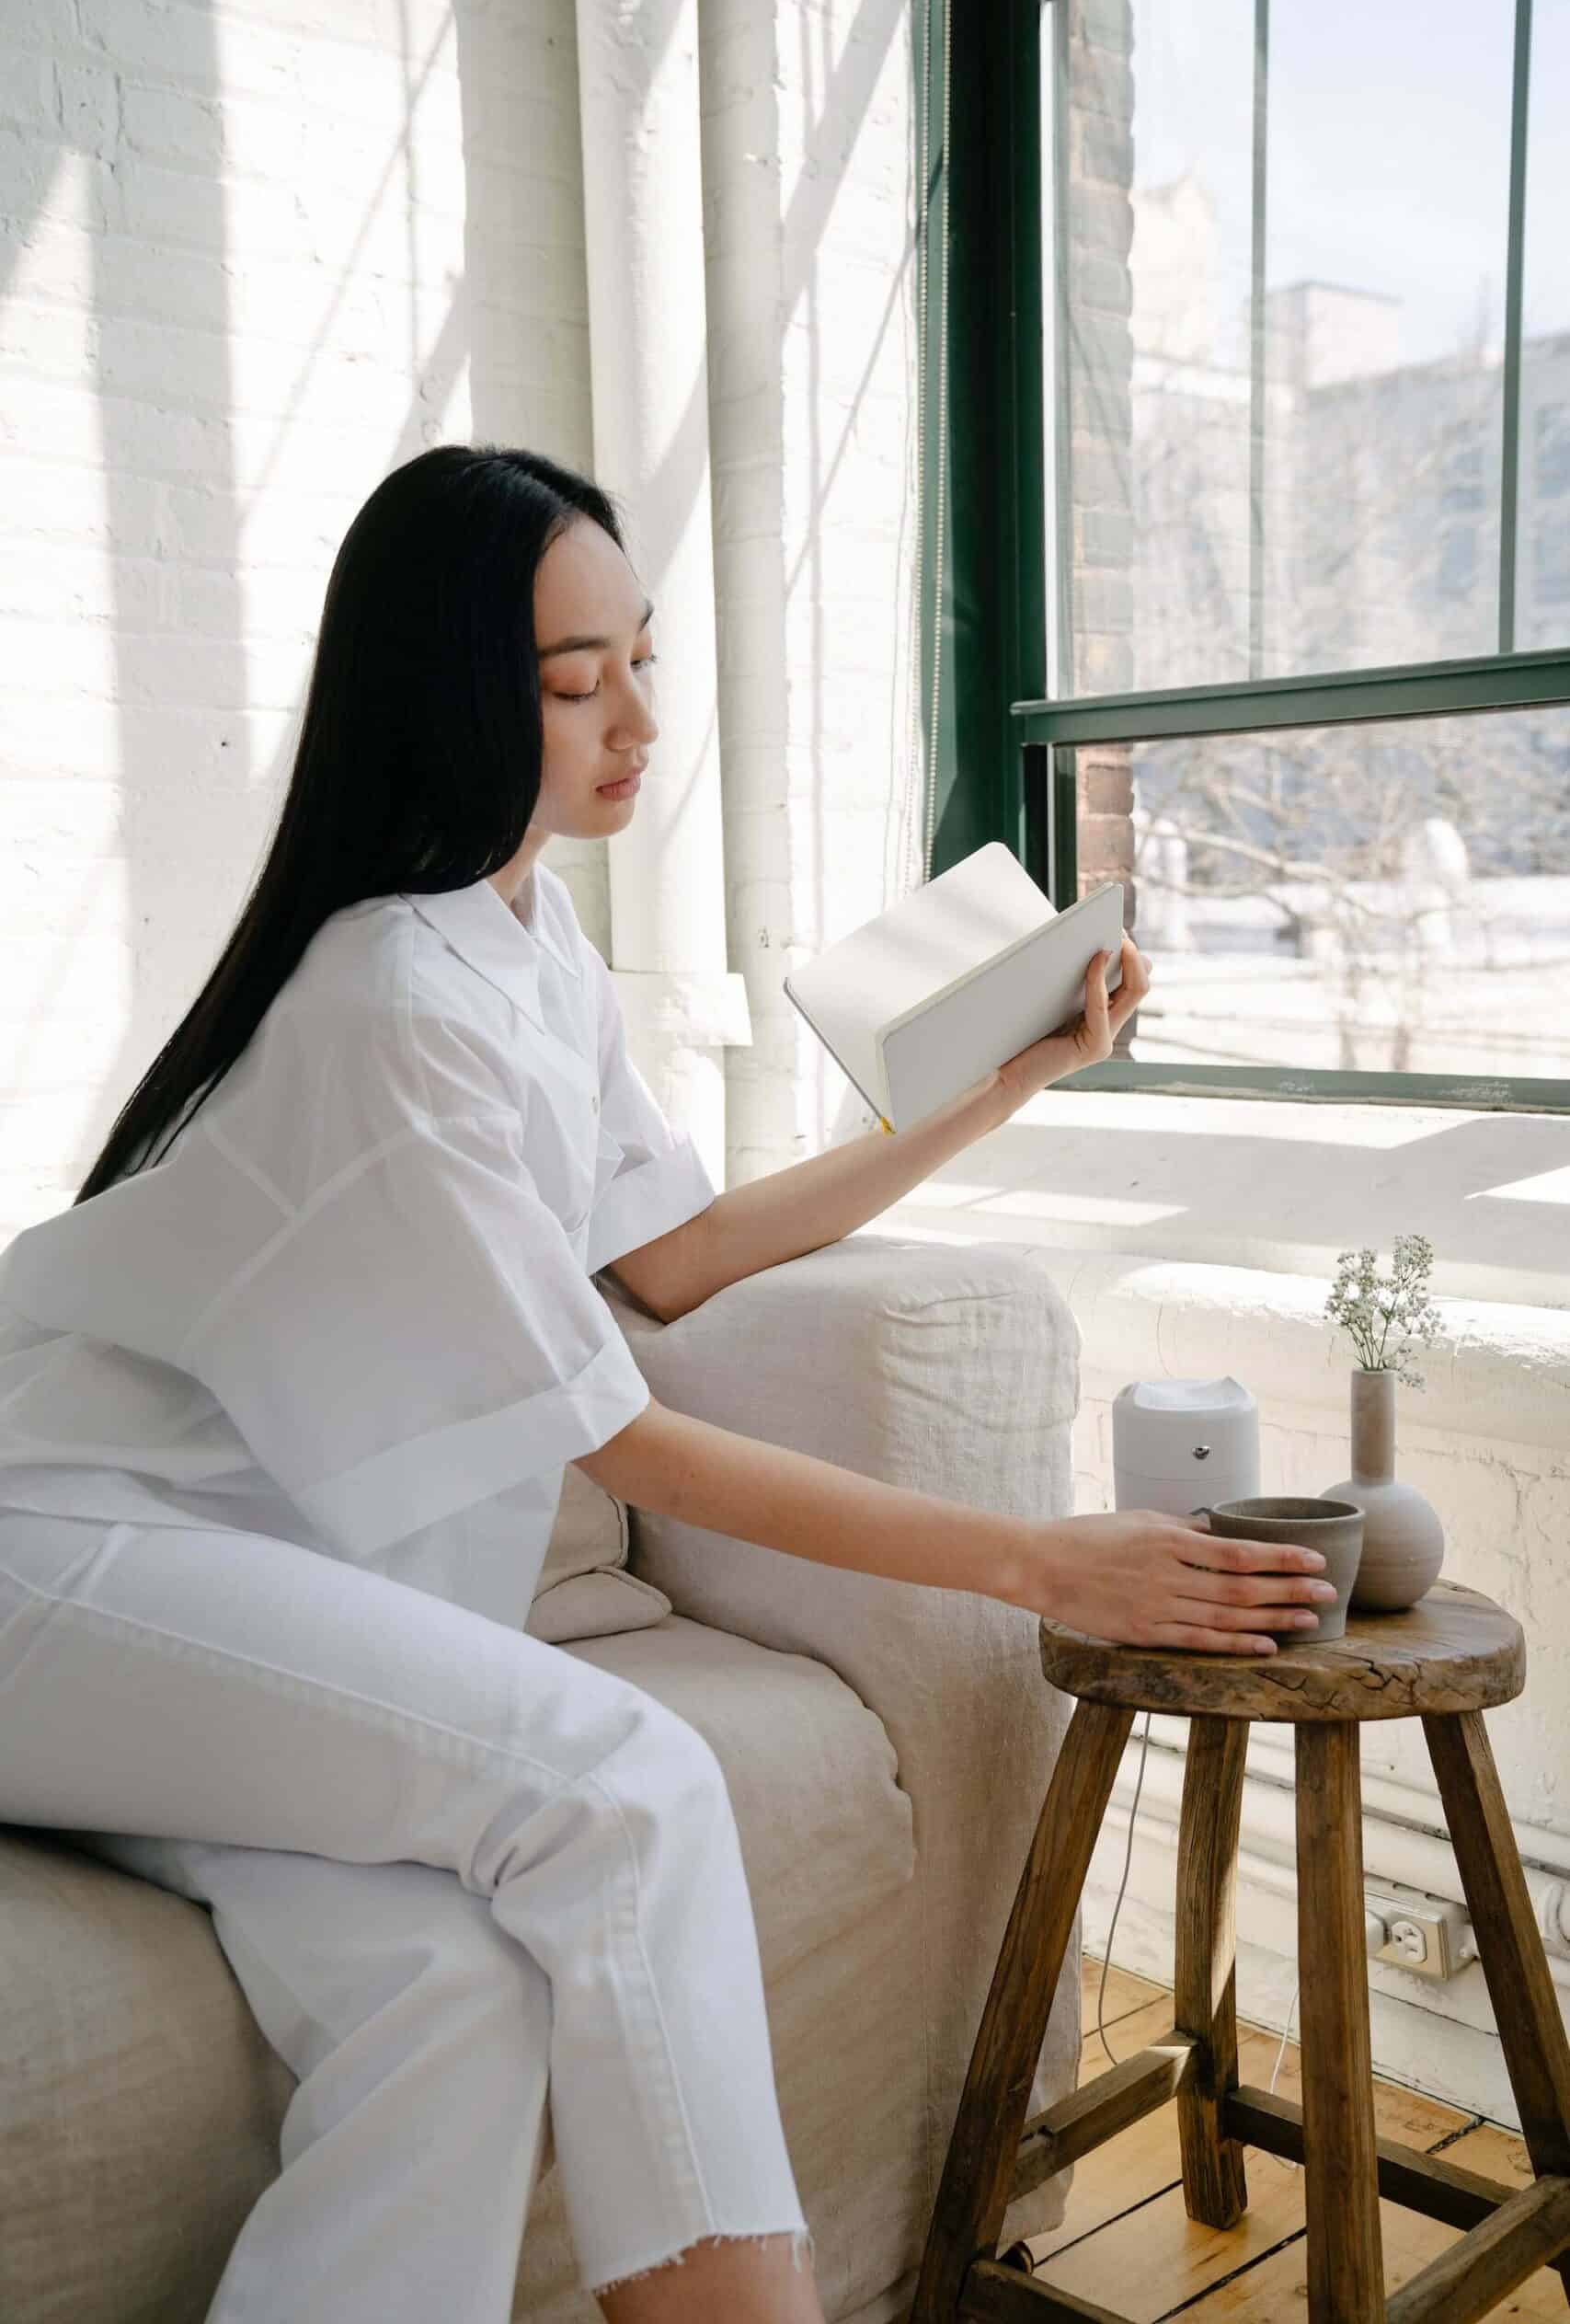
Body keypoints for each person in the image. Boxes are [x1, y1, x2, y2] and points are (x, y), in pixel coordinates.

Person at [0, 444, 1335, 2324]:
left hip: (225, 1609)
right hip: (49, 1555)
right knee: (620, 1774)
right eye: (569, 680)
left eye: (640, 657)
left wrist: (1004, 1079)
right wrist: (1038, 1559)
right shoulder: (390, 995)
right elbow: (615, 1433)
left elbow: (674, 1259)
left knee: (450, 2000)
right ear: (453, 692)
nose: (631, 718)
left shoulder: (530, 952)